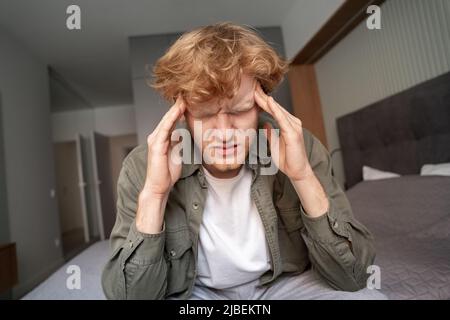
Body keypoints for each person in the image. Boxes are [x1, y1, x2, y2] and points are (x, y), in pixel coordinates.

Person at [101, 22, 386, 300]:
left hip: (282, 284)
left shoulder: (298, 145)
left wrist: (301, 176)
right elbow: (132, 297)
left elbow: (354, 277)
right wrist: (155, 194)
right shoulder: (143, 165)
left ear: (262, 102)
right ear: (182, 112)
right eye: (204, 114)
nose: (225, 133)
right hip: (195, 293)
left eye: (240, 110)